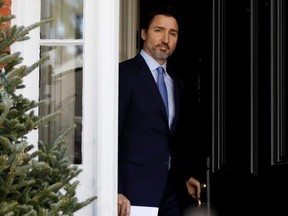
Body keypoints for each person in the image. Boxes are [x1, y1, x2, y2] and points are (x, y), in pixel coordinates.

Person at [118, 3, 206, 216]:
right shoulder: (124, 74)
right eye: (159, 31)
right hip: (133, 192)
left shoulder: (177, 84)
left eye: (172, 33)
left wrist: (184, 175)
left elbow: (167, 138)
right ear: (143, 33)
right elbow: (112, 135)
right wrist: (117, 190)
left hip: (171, 192)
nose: (166, 39)